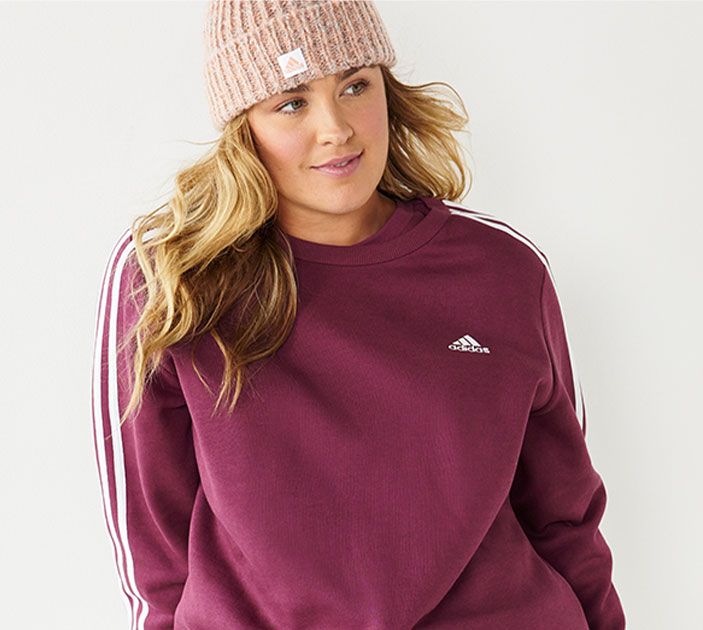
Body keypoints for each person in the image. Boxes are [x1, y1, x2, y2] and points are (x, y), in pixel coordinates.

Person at [90, 1, 626, 628]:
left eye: (355, 86)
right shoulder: (171, 280)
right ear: (243, 127)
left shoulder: (504, 272)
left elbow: (566, 517)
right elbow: (154, 555)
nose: (336, 129)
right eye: (291, 102)